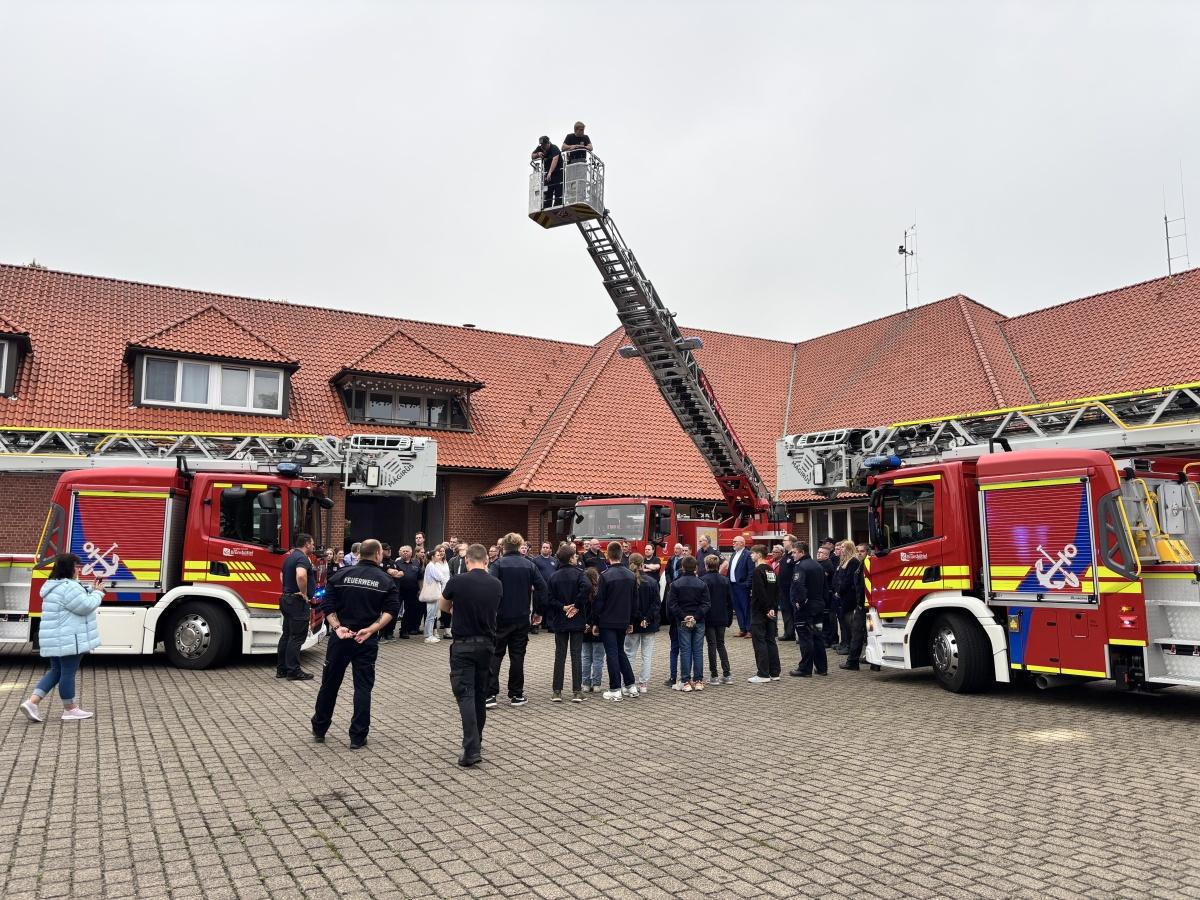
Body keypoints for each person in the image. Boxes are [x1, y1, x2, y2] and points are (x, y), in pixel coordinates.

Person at [311, 539, 400, 749]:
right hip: (365, 639)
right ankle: (357, 736)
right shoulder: (386, 581)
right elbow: (391, 610)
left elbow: (326, 602)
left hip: (340, 637)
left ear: (359, 553)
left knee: (330, 684)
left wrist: (337, 626)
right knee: (363, 688)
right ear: (378, 554)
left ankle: (319, 728)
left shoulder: (340, 575)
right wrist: (371, 630)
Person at [19, 553, 103, 723]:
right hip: (69, 638)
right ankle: (70, 709)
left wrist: (90, 590)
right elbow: (85, 606)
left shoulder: (53, 585)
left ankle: (31, 702)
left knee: (56, 671)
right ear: (69, 568)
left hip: (55, 637)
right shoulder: (69, 587)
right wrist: (98, 594)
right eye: (76, 566)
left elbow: (73, 601)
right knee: (67, 673)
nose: (78, 570)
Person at [441, 543, 502, 767]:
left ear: (466, 560)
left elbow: (444, 605)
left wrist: (457, 609)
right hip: (487, 645)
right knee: (479, 695)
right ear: (486, 560)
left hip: (463, 645)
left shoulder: (457, 581)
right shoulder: (496, 584)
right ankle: (478, 739)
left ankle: (471, 749)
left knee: (465, 695)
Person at [487, 532, 548, 708]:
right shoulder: (529, 565)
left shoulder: (497, 565)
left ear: (503, 547)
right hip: (522, 617)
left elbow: (490, 588)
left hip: (500, 617)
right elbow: (542, 588)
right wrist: (538, 611)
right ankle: (516, 694)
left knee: (496, 654)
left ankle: (490, 694)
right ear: (520, 545)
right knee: (517, 656)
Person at [590, 541, 640, 702]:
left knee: (612, 653)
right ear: (620, 554)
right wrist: (631, 621)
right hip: (624, 620)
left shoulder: (605, 576)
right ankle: (630, 685)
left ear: (607, 555)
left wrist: (595, 622)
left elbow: (599, 602)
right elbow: (635, 601)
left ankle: (615, 689)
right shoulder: (631, 575)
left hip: (608, 621)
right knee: (619, 651)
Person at [545, 544, 591, 702]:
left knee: (560, 655)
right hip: (576, 619)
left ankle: (557, 691)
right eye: (575, 556)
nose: (577, 557)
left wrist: (563, 607)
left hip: (560, 619)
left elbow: (549, 598)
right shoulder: (580, 574)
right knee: (576, 654)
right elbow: (587, 588)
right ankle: (577, 691)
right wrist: (576, 606)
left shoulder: (553, 576)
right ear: (571, 558)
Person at [667, 556, 710, 693]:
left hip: (683, 621)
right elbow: (706, 604)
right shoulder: (702, 584)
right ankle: (698, 681)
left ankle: (686, 681)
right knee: (697, 650)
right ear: (696, 568)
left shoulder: (676, 584)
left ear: (683, 568)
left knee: (685, 650)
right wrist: (696, 616)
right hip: (699, 621)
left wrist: (684, 616)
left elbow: (672, 604)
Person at [277, 532, 316, 680]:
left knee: (286, 635)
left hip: (286, 600)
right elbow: (301, 575)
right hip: (297, 603)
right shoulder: (302, 558)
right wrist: (303, 593)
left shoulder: (289, 558)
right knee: (297, 637)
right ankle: (293, 671)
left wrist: (289, 589)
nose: (313, 546)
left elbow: (281, 575)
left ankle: (281, 669)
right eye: (312, 543)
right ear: (306, 544)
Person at [788, 542, 828, 678]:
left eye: (794, 552)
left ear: (802, 552)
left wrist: (800, 601)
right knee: (817, 636)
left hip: (806, 608)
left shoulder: (801, 566)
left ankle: (805, 668)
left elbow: (799, 585)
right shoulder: (818, 565)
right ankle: (822, 667)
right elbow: (825, 587)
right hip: (818, 606)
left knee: (805, 637)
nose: (792, 555)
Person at [624, 552, 660, 694]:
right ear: (642, 564)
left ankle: (629, 682)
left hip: (633, 623)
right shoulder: (652, 581)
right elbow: (657, 604)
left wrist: (639, 618)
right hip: (649, 624)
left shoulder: (628, 581)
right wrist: (647, 618)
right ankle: (643, 684)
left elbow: (630, 604)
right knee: (647, 655)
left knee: (630, 654)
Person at [748, 544, 781, 683]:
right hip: (771, 611)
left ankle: (763, 674)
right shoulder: (770, 570)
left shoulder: (757, 571)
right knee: (770, 641)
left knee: (759, 641)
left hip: (760, 612)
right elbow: (775, 590)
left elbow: (760, 592)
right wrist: (772, 608)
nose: (751, 556)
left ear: (758, 555)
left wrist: (766, 609)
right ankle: (774, 672)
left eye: (752, 553)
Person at [699, 554, 733, 684]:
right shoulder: (725, 580)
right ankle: (727, 673)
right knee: (721, 644)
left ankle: (714, 675)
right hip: (722, 616)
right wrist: (729, 618)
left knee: (711, 645)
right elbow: (730, 602)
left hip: (708, 617)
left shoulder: (703, 580)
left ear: (706, 565)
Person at [841, 543, 870, 671]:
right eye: (857, 551)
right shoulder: (860, 565)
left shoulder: (868, 565)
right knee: (861, 633)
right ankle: (872, 663)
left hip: (865, 605)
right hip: (862, 604)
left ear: (867, 552)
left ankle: (852, 662)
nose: (859, 553)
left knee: (857, 633)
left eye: (862, 551)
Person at [831, 539, 860, 656]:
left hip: (848, 597)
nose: (840, 549)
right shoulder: (843, 561)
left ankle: (848, 645)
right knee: (842, 622)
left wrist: (840, 591)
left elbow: (848, 580)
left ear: (848, 549)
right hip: (840, 596)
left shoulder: (853, 562)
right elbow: (837, 577)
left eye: (843, 547)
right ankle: (844, 643)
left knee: (848, 622)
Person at [580, 567, 605, 691]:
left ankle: (585, 684)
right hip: (598, 628)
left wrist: (584, 624)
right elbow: (600, 611)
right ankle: (596, 684)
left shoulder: (581, 592)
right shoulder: (600, 592)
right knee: (598, 658)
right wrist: (595, 623)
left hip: (584, 628)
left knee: (585, 657)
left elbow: (580, 610)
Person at [421, 544, 451, 643]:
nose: (440, 556)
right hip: (432, 594)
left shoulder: (432, 566)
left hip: (434, 593)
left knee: (432, 615)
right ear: (433, 557)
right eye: (438, 555)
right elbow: (441, 578)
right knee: (430, 616)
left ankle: (429, 635)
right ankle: (428, 636)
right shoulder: (431, 566)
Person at [727, 534, 753, 637]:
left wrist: (747, 584)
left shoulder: (748, 554)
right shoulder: (734, 554)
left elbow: (751, 571)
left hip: (742, 586)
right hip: (733, 585)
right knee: (737, 608)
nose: (733, 543)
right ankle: (742, 628)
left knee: (746, 607)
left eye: (735, 542)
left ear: (742, 543)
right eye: (733, 542)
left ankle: (749, 629)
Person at [394, 545, 422, 638]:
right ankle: (389, 631)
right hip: (399, 591)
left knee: (409, 611)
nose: (405, 552)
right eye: (403, 551)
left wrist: (420, 589)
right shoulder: (396, 563)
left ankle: (404, 630)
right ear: (400, 553)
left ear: (411, 553)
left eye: (407, 551)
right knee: (395, 610)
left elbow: (420, 578)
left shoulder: (416, 563)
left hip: (412, 591)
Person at [816, 543, 839, 648]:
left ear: (826, 555)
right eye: (818, 552)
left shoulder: (827, 564)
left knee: (827, 618)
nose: (818, 554)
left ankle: (828, 639)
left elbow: (821, 578)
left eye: (821, 553)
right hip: (822, 595)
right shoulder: (819, 563)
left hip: (827, 596)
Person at [531, 135, 563, 208]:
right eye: (541, 145)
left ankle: (557, 207)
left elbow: (555, 159)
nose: (543, 147)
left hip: (558, 173)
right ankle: (547, 207)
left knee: (558, 191)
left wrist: (550, 172)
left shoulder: (554, 148)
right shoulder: (540, 148)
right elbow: (532, 156)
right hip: (548, 174)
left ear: (548, 143)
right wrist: (537, 154)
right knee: (548, 191)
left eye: (544, 145)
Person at [776, 535, 797, 640]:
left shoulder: (794, 555)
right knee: (785, 610)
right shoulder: (785, 555)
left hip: (790, 588)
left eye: (785, 541)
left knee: (792, 611)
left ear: (791, 542)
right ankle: (788, 632)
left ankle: (793, 633)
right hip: (783, 589)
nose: (783, 542)